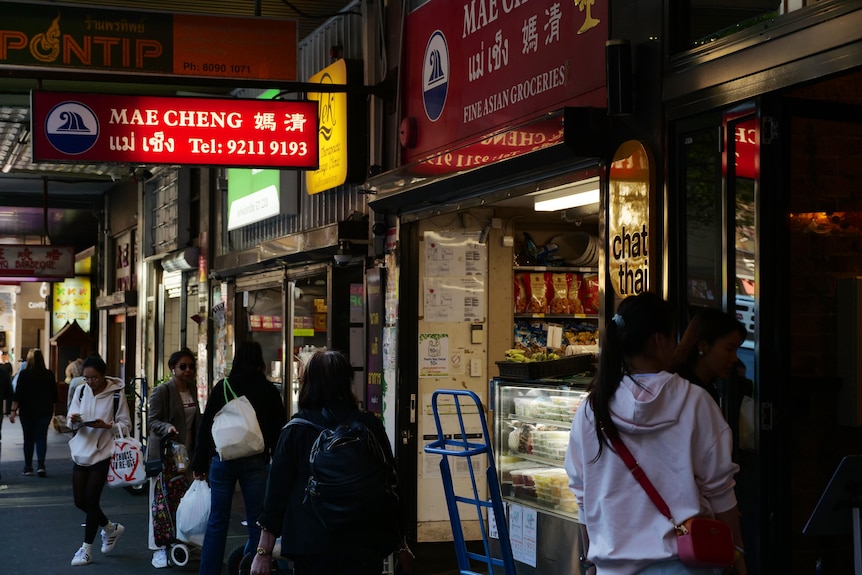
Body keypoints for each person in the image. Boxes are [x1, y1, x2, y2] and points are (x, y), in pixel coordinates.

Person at [564, 293, 747, 575]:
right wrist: (738, 557)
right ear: (659, 341)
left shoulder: (593, 408)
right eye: (674, 336)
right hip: (685, 565)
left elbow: (582, 496)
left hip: (613, 567)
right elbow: (721, 493)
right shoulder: (695, 402)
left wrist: (590, 559)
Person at [250, 350, 412, 575]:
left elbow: (276, 496)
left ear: (308, 383)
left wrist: (262, 553)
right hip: (363, 544)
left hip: (312, 545)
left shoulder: (296, 430)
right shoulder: (368, 425)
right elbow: (391, 485)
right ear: (347, 382)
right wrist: (401, 543)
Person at [192, 341, 286, 575]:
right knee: (258, 521)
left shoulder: (223, 387)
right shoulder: (269, 390)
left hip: (222, 459)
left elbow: (206, 426)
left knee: (217, 522)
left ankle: (209, 571)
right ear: (259, 361)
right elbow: (278, 429)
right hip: (256, 460)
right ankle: (255, 568)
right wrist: (277, 461)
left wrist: (199, 463)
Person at [66, 355, 130, 567]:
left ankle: (86, 550)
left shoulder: (116, 395)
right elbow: (70, 418)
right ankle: (110, 528)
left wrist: (107, 426)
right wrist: (73, 420)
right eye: (86, 378)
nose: (90, 382)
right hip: (81, 450)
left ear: (103, 376)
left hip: (104, 451)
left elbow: (126, 425)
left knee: (91, 501)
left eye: (94, 378)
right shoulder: (81, 391)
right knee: (79, 501)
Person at [147, 348, 202, 568]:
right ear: (173, 368)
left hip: (186, 455)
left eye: (191, 366)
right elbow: (152, 420)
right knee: (160, 503)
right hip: (166, 455)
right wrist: (167, 427)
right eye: (183, 366)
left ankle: (180, 543)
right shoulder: (163, 391)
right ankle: (159, 548)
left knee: (182, 502)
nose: (188, 370)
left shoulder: (194, 390)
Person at [670, 308, 747, 407]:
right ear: (703, 346)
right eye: (729, 349)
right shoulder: (685, 392)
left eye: (736, 350)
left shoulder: (707, 389)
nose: (734, 358)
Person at [9, 348, 59, 477]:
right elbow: (55, 395)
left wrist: (13, 411)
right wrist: (52, 409)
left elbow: (18, 395)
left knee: (28, 439)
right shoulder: (49, 374)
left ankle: (28, 467)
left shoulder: (24, 374)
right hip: (44, 411)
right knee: (41, 438)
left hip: (27, 411)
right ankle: (41, 466)